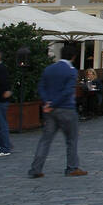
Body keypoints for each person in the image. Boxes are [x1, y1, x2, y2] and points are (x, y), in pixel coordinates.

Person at [29, 44, 86, 178]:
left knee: (45, 140)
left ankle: (36, 169)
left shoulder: (49, 69)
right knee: (71, 139)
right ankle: (72, 168)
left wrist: (47, 102)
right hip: (66, 108)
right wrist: (54, 103)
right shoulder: (71, 71)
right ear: (74, 57)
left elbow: (41, 86)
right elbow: (67, 91)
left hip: (49, 110)